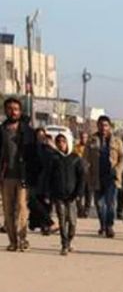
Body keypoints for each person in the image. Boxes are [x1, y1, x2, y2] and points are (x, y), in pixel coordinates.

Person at [1, 97, 41, 252]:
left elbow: (35, 156)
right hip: (6, 177)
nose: (13, 111)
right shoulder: (2, 130)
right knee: (8, 210)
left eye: (16, 109)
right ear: (6, 111)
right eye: (10, 108)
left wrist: (34, 176)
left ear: (20, 111)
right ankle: (13, 241)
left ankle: (23, 239)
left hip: (23, 176)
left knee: (22, 208)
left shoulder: (28, 132)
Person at [41, 133, 85, 255]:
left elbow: (81, 177)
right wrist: (47, 193)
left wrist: (79, 193)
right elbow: (48, 177)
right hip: (58, 195)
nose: (61, 144)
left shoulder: (76, 158)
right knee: (62, 220)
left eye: (63, 141)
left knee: (72, 222)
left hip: (72, 196)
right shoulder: (54, 158)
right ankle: (64, 244)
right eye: (58, 141)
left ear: (68, 142)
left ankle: (70, 239)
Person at [85, 116, 123, 239]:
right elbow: (85, 158)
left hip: (111, 177)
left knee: (110, 204)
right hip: (96, 177)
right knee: (99, 204)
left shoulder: (116, 141)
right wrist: (87, 173)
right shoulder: (92, 140)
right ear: (97, 126)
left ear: (109, 126)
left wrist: (118, 170)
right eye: (101, 125)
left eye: (106, 125)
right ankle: (102, 224)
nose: (103, 128)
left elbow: (122, 158)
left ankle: (109, 226)